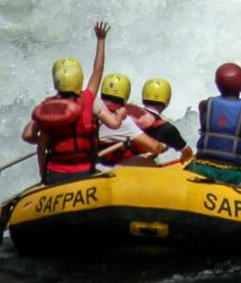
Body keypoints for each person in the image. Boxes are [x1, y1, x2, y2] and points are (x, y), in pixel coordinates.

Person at [23, 22, 126, 185]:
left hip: (56, 176)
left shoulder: (48, 109)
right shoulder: (89, 99)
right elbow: (97, 71)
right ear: (79, 80)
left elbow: (30, 137)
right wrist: (101, 40)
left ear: (56, 83)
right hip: (85, 173)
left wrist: (44, 177)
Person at [95, 73, 166, 167]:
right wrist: (162, 147)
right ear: (126, 93)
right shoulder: (124, 119)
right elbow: (152, 147)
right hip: (112, 170)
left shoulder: (91, 111)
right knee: (146, 160)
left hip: (86, 165)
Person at [127, 78, 193, 163]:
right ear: (167, 99)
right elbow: (188, 153)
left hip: (115, 164)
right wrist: (184, 158)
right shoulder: (167, 129)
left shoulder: (127, 115)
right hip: (140, 168)